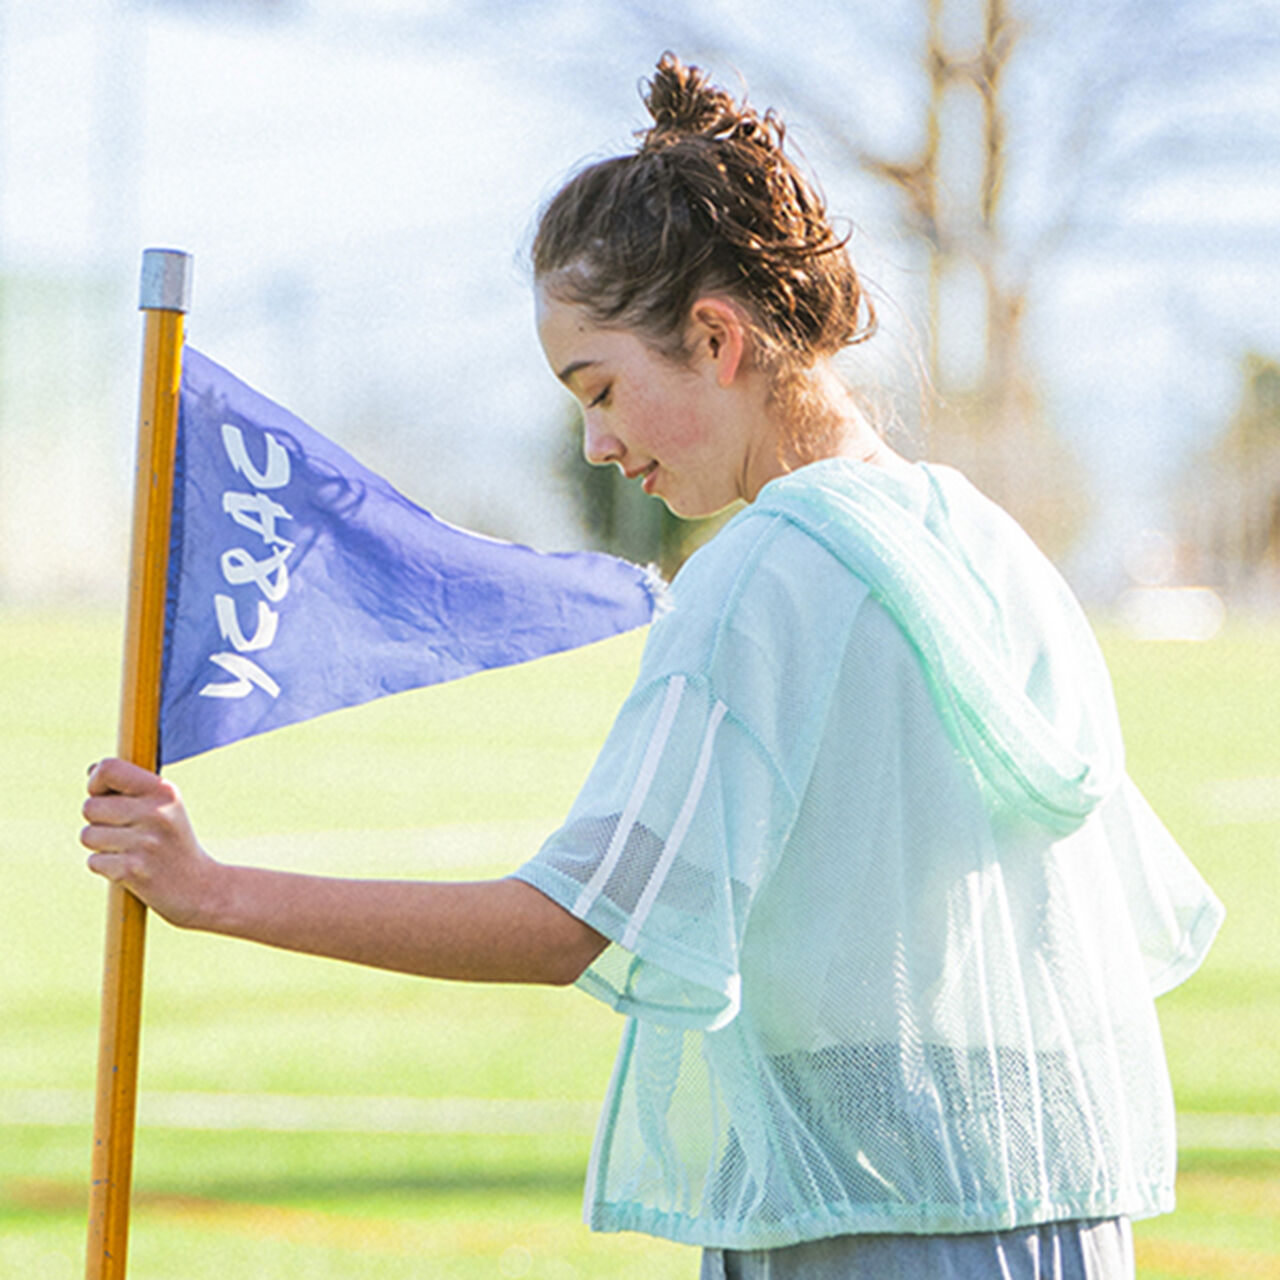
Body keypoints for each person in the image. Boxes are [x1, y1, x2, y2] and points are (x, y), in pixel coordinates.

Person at [83, 53, 1223, 1280]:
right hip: (1058, 1223)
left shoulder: (764, 570)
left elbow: (570, 923)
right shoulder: (985, 539)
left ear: (715, 338)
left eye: (601, 387)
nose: (597, 440)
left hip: (861, 1234)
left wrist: (214, 890)